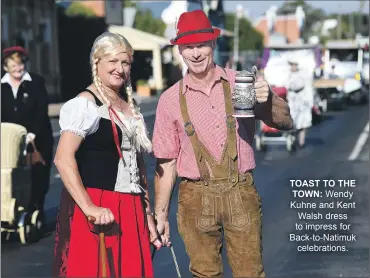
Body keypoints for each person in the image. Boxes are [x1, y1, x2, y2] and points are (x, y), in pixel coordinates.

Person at [152, 10, 293, 278]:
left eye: (201, 45)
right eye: (188, 47)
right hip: (194, 197)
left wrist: (267, 98)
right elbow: (166, 161)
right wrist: (160, 215)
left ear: (213, 44)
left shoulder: (241, 83)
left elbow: (286, 121)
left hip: (240, 190)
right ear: (180, 50)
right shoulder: (169, 100)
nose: (195, 53)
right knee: (204, 274)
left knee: (250, 273)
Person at [52, 32, 161, 277]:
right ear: (96, 63)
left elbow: (137, 165)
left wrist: (148, 214)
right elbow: (63, 158)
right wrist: (89, 207)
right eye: (112, 61)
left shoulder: (127, 103)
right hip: (102, 206)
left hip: (131, 207)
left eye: (125, 62)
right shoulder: (86, 103)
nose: (119, 69)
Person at [1, 46, 54, 223]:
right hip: (10, 142)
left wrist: (32, 134)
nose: (18, 68)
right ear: (5, 67)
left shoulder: (35, 82)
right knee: (11, 176)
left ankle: (35, 212)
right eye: (13, 65)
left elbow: (41, 112)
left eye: (21, 64)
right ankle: (12, 211)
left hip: (36, 140)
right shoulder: (2, 86)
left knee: (37, 177)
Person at [286, 56, 314, 148]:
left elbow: (306, 87)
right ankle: (292, 139)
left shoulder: (303, 74)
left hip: (302, 101)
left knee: (303, 123)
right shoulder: (287, 74)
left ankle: (301, 141)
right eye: (292, 65)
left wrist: (310, 101)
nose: (293, 67)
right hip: (292, 102)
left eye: (294, 65)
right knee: (293, 122)